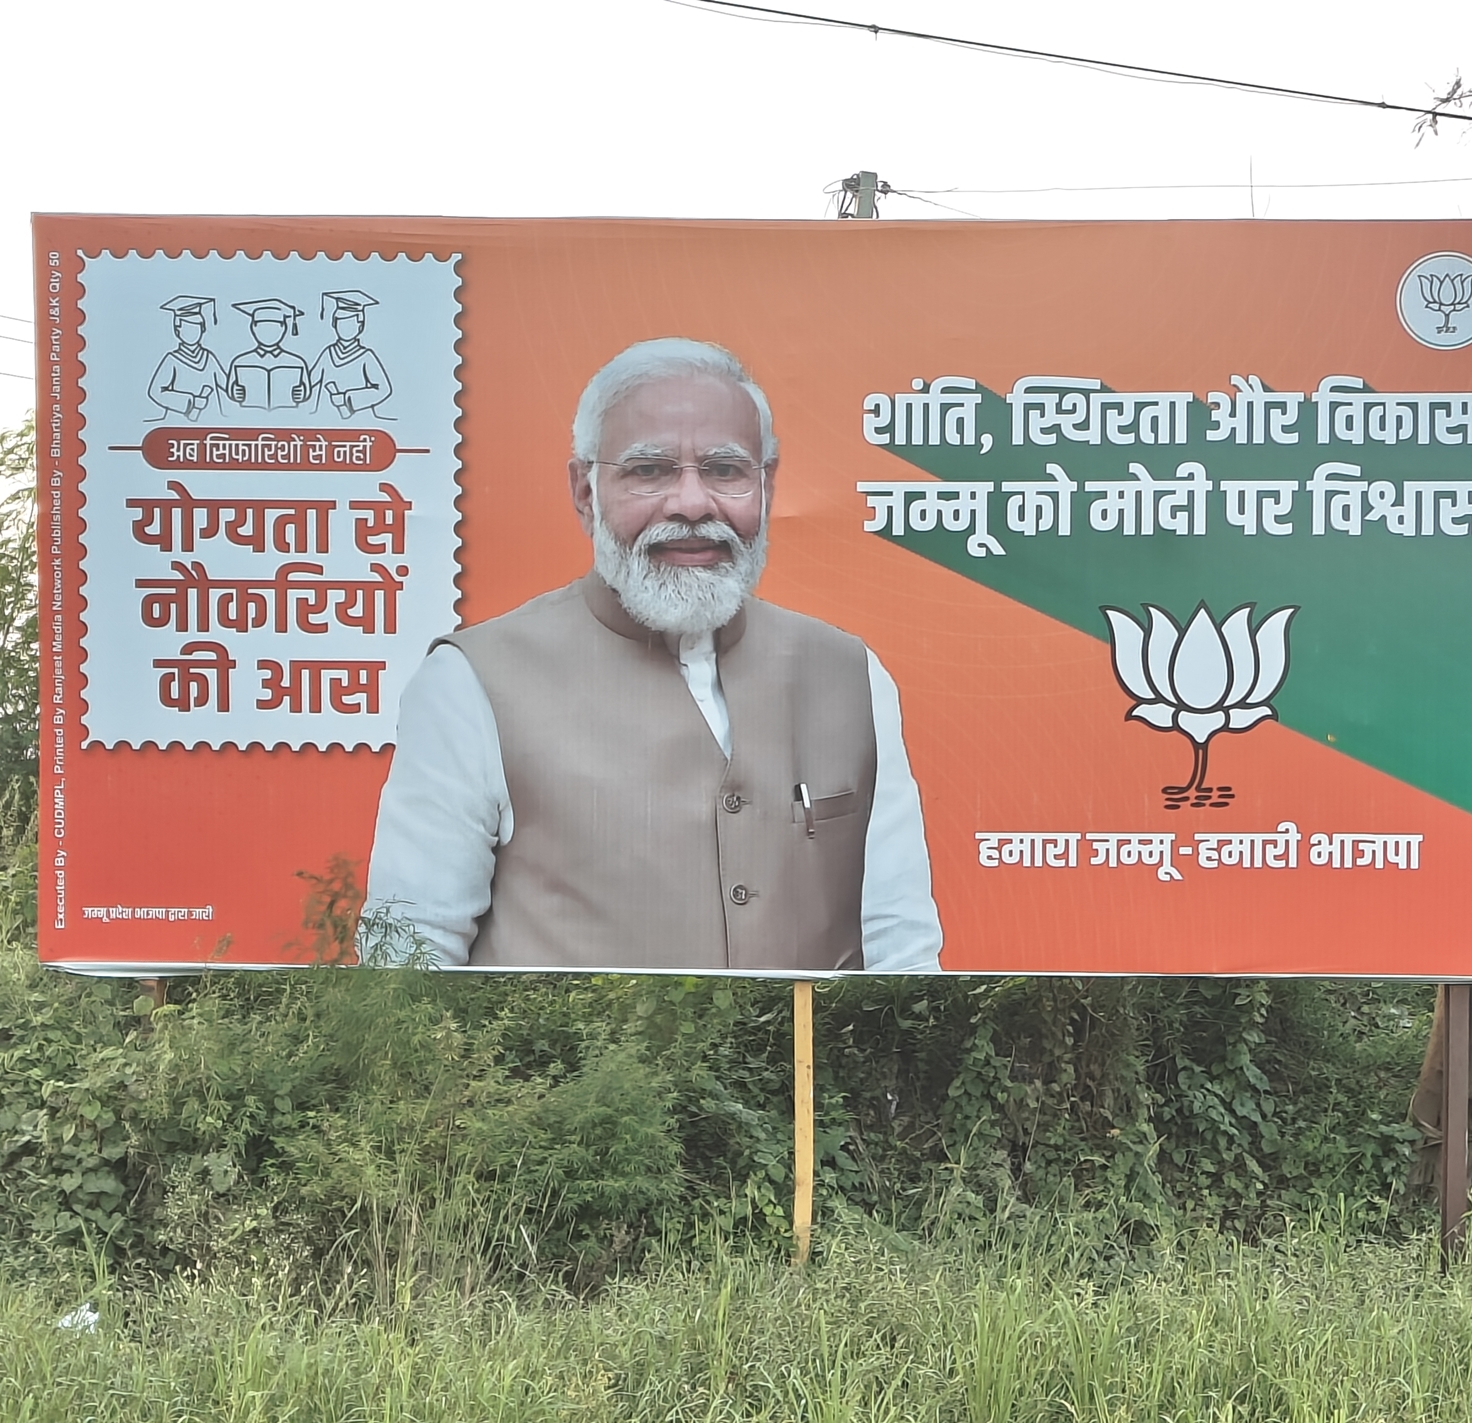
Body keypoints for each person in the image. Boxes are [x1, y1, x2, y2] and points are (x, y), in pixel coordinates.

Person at [363, 337, 943, 972]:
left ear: (767, 487)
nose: (692, 505)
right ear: (584, 491)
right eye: (649, 470)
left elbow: (902, 958)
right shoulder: (472, 683)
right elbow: (409, 966)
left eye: (725, 470)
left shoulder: (849, 676)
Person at [309, 290, 393, 418]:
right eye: (340, 323)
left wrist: (347, 398)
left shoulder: (366, 356)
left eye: (350, 323)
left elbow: (383, 390)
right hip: (325, 420)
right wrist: (302, 390)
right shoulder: (328, 353)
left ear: (360, 326)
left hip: (360, 420)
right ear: (334, 324)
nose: (344, 328)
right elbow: (310, 380)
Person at [146, 296, 229, 421]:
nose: (193, 333)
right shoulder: (173, 359)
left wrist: (235, 390)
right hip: (178, 423)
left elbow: (225, 383)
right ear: (178, 331)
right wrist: (191, 402)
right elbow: (156, 392)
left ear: (202, 329)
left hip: (211, 422)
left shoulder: (208, 357)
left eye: (196, 327)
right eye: (188, 328)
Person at [226, 298, 310, 412]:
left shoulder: (296, 362)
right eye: (262, 326)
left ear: (283, 329)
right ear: (253, 328)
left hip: (287, 414)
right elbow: (230, 389)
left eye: (275, 327)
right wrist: (234, 392)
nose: (268, 332)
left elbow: (306, 390)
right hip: (249, 414)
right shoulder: (241, 361)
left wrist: (302, 393)